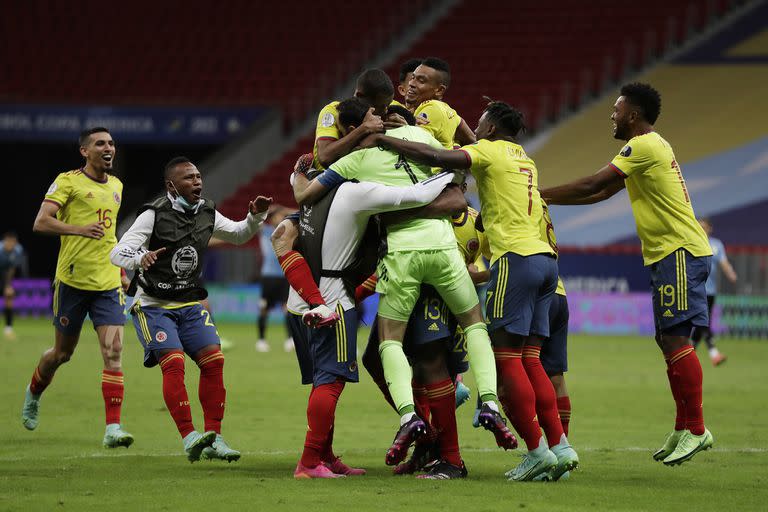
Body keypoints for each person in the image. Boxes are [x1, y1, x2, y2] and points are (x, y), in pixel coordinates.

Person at [358, 99, 580, 481]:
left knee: (506, 359)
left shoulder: (487, 150)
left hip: (515, 258)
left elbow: (437, 155)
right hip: (548, 264)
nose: (473, 131)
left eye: (479, 125)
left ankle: (537, 450)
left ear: (492, 129)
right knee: (531, 360)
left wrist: (388, 141)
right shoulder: (525, 158)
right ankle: (559, 446)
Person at [294, 97, 516, 470]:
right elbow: (459, 189)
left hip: (401, 255)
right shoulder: (428, 142)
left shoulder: (362, 157)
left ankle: (409, 417)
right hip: (444, 249)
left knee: (390, 342)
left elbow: (308, 191)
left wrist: (298, 172)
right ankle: (490, 401)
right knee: (475, 323)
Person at [539, 82, 714, 466]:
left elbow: (593, 183)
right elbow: (602, 194)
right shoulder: (651, 148)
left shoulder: (642, 145)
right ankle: (684, 426)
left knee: (676, 338)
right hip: (670, 254)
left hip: (679, 252)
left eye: (616, 110)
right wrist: (546, 197)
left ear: (633, 115)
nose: (612, 116)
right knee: (668, 339)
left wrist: (536, 191)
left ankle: (698, 429)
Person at [288, 154, 463, 478]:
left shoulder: (311, 195)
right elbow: (413, 196)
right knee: (337, 377)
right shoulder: (357, 193)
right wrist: (452, 172)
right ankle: (312, 461)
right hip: (339, 300)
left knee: (404, 364)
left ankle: (438, 448)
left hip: (308, 300)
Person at [110, 156, 271, 463]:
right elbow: (118, 251)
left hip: (189, 302)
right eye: (189, 178)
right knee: (174, 363)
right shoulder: (153, 214)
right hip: (154, 305)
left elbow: (238, 234)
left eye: (198, 176)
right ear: (172, 186)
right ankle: (189, 436)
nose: (197, 181)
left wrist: (255, 217)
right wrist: (139, 258)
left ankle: (215, 438)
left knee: (214, 362)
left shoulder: (206, 211)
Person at [22, 127, 133, 448]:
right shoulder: (68, 181)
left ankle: (113, 428)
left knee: (113, 353)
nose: (108, 147)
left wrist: (121, 269)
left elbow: (108, 234)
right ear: (85, 151)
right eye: (100, 143)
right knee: (61, 354)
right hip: (72, 281)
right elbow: (41, 222)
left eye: (111, 143)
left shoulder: (116, 186)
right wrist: (78, 229)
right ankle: (33, 392)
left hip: (108, 283)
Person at [692, 218, 737, 366]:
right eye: (699, 227)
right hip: (695, 289)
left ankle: (689, 353)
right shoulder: (691, 242)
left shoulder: (716, 245)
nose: (702, 230)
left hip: (710, 291)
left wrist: (730, 273)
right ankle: (714, 352)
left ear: (710, 229)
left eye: (704, 227)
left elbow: (723, 262)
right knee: (703, 321)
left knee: (702, 322)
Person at [406, 57, 475, 148]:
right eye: (412, 77)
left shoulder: (431, 107)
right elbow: (473, 140)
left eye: (421, 81)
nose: (411, 83)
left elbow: (413, 147)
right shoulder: (449, 111)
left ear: (439, 90)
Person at [255, 205, 293, 353]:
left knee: (287, 308)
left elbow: (301, 213)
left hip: (284, 276)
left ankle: (290, 339)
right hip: (268, 277)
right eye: (277, 216)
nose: (280, 218)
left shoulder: (288, 233)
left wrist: (284, 209)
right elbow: (255, 220)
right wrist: (269, 211)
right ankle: (261, 340)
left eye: (281, 216)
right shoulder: (265, 231)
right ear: (271, 219)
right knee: (264, 308)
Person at [1, 232, 25, 340]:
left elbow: (11, 269)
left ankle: (8, 329)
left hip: (4, 277)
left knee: (9, 297)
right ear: (5, 241)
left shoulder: (18, 250)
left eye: (13, 242)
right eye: (9, 242)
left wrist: (7, 285)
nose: (11, 244)